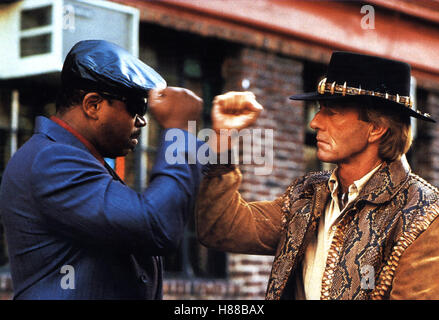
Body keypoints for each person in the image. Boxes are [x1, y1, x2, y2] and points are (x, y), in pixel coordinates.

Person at [196, 51, 439, 300]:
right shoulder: (309, 195)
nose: (314, 122)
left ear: (376, 128)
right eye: (319, 109)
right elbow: (220, 228)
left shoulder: (423, 213)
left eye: (331, 112)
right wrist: (222, 138)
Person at [0, 40, 206, 299]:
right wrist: (179, 130)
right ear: (93, 105)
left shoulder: (74, 158)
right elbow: (157, 225)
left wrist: (222, 137)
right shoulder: (52, 160)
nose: (142, 120)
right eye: (136, 106)